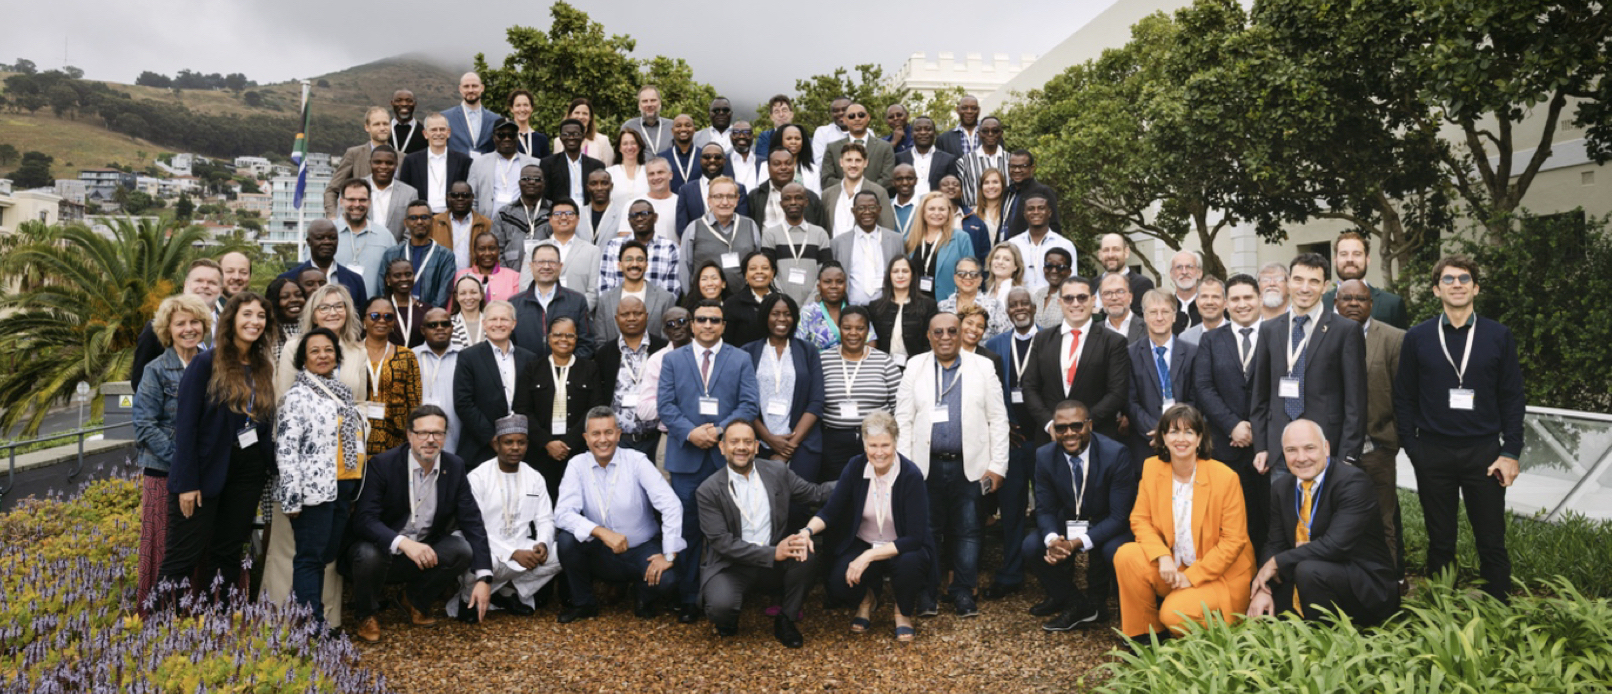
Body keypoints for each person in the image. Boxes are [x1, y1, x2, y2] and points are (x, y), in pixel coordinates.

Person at [1394, 255, 1524, 601]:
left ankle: (1499, 607)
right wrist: (1413, 448)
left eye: (1464, 279)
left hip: (1485, 453)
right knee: (1440, 540)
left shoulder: (1498, 336)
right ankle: (1441, 610)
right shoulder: (1418, 337)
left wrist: (1511, 450)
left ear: (1476, 288)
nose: (1457, 285)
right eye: (1448, 279)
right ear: (1436, 290)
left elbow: (1512, 397)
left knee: (1491, 538)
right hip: (1432, 452)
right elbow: (1403, 397)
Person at [158, 292, 277, 607]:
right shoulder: (205, 363)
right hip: (205, 471)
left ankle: (220, 619)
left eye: (261, 316)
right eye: (247, 314)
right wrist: (186, 482)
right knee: (183, 555)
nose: (254, 321)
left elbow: (263, 422)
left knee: (228, 552)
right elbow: (186, 427)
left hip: (248, 472)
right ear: (231, 320)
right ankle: (159, 622)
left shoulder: (263, 366)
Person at [895, 312, 1010, 617]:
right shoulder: (915, 366)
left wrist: (998, 465)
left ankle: (963, 592)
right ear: (928, 336)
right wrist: (906, 467)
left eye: (951, 331)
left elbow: (998, 419)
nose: (945, 337)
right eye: (938, 332)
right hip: (924, 467)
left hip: (970, 466)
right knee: (927, 531)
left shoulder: (983, 366)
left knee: (969, 530)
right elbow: (903, 419)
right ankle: (928, 593)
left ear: (960, 334)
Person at [348, 405, 494, 642]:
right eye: (423, 433)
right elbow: (364, 520)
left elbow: (472, 522)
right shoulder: (383, 464)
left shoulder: (454, 466)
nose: (430, 440)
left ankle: (414, 600)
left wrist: (484, 576)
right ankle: (366, 614)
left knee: (460, 550)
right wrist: (403, 543)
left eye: (438, 433)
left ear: (445, 437)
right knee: (367, 553)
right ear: (409, 435)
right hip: (381, 550)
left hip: (423, 553)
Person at [657, 299, 762, 622]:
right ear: (692, 324)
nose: (707, 325)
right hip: (686, 458)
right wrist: (691, 433)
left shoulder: (740, 359)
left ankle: (727, 595)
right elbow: (665, 405)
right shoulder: (672, 360)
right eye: (701, 319)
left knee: (729, 530)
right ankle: (689, 598)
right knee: (688, 530)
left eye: (714, 320)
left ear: (723, 325)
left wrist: (718, 431)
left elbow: (749, 404)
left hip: (726, 459)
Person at [1114, 404, 1254, 642]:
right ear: (1163, 438)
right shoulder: (1152, 468)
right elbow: (1140, 519)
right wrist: (1162, 556)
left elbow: (1234, 541)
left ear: (1199, 439)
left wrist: (1191, 577)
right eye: (1173, 432)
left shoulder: (1225, 478)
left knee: (1174, 614)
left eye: (1189, 432)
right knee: (1127, 555)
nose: (1181, 439)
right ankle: (1145, 635)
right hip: (1174, 566)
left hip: (1218, 574)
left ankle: (1214, 628)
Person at [1248, 420, 1400, 625]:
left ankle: (1325, 636)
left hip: (1363, 584)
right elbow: (1275, 542)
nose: (1301, 458)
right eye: (1291, 450)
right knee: (1266, 609)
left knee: (1308, 570)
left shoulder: (1353, 482)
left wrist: (1276, 563)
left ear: (1326, 448)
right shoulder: (1281, 488)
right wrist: (1263, 587)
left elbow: (1335, 545)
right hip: (1309, 573)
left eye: (1309, 448)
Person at [697, 419, 834, 646]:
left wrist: (856, 477)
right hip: (732, 566)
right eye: (734, 442)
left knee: (806, 556)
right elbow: (722, 543)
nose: (741, 447)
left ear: (756, 447)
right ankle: (728, 619)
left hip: (774, 564)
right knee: (720, 608)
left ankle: (787, 618)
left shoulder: (777, 472)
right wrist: (772, 553)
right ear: (722, 447)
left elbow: (816, 493)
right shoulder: (708, 490)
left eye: (747, 442)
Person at [801, 411, 935, 642]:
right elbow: (831, 511)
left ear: (895, 443)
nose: (879, 452)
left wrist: (867, 557)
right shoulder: (855, 467)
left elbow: (915, 537)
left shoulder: (911, 475)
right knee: (838, 581)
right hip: (865, 541)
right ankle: (867, 598)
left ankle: (902, 611)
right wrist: (807, 531)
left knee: (910, 564)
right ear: (864, 445)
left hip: (902, 546)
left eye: (885, 445)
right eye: (873, 445)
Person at [271, 327, 366, 632]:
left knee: (325, 557)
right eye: (315, 351)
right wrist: (292, 500)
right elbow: (286, 450)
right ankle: (311, 628)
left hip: (343, 487)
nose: (323, 356)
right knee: (310, 558)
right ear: (303, 360)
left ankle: (315, 620)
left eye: (328, 350)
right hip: (312, 493)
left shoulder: (342, 394)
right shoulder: (296, 397)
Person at [554, 407, 685, 622]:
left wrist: (669, 555)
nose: (602, 440)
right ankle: (584, 604)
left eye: (608, 432)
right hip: (600, 551)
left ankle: (644, 595)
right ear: (586, 438)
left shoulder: (637, 461)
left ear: (618, 434)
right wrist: (602, 532)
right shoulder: (577, 465)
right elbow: (562, 513)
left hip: (640, 549)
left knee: (668, 580)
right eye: (596, 434)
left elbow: (671, 505)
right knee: (566, 541)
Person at [1025, 399, 1137, 630]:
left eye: (1076, 426)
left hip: (1108, 521)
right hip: (1070, 520)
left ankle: (1108, 606)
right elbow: (1045, 509)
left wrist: (1076, 543)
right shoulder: (1045, 455)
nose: (1069, 433)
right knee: (1032, 545)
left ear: (1090, 425)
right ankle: (1074, 602)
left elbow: (1119, 516)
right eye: (1061, 428)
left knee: (1114, 550)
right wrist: (1053, 540)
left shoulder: (1115, 454)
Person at [1250, 253, 1366, 476]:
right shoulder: (1269, 330)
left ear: (1325, 286)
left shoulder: (1345, 331)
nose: (1304, 288)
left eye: (1313, 281)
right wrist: (1262, 446)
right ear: (1288, 283)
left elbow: (1356, 402)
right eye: (1298, 280)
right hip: (1279, 452)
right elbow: (1260, 395)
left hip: (1327, 451)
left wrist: (1348, 456)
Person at [133, 294, 212, 614]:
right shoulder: (156, 370)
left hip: (206, 473)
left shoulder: (214, 365)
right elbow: (144, 426)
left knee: (201, 546)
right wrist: (184, 464)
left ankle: (200, 614)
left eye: (195, 322)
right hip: (165, 473)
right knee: (168, 546)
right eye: (181, 324)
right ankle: (162, 614)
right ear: (168, 329)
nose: (189, 329)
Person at [449, 414, 562, 622]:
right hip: (488, 547)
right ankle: (467, 600)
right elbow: (473, 528)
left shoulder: (534, 477)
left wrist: (543, 544)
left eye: (521, 442)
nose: (515, 448)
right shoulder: (478, 477)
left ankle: (507, 591)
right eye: (509, 442)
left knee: (561, 553)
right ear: (496, 444)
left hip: (521, 545)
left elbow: (545, 519)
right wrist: (512, 553)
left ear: (527, 445)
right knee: (482, 558)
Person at [1192, 274, 1270, 550]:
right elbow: (1203, 387)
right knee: (1230, 521)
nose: (1242, 304)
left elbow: (1283, 389)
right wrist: (1233, 425)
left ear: (1260, 299)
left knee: (1269, 519)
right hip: (1226, 447)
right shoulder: (1211, 340)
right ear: (1226, 304)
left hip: (1268, 447)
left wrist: (1257, 431)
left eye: (1248, 297)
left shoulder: (1277, 334)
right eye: (1235, 299)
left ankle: (1268, 572)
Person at [1333, 279, 1405, 567]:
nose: (1354, 303)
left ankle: (1387, 582)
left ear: (1371, 304)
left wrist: (1392, 439)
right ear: (1336, 303)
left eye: (1361, 298)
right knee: (1337, 522)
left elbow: (1402, 395)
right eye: (1347, 298)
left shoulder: (1393, 339)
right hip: (1333, 450)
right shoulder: (1322, 335)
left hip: (1376, 449)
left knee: (1383, 522)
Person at [980, 288, 1042, 599]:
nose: (1019, 308)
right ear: (1007, 311)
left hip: (1044, 440)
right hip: (1010, 442)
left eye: (1024, 303)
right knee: (1012, 509)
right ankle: (1011, 573)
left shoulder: (1050, 340)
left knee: (1047, 508)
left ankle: (1048, 572)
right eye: (1013, 305)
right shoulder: (994, 345)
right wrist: (1002, 426)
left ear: (1034, 307)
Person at [1022, 276, 1131, 443]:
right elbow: (1029, 387)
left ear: (1093, 300)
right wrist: (1050, 424)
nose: (1075, 303)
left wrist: (1082, 424)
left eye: (1082, 297)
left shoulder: (1113, 342)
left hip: (1097, 437)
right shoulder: (1042, 339)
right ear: (1059, 302)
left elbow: (1117, 393)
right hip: (1050, 438)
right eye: (1068, 298)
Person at [514, 315, 608, 501]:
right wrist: (547, 442)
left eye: (569, 335)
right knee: (541, 500)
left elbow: (595, 409)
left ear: (576, 339)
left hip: (577, 450)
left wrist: (568, 443)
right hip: (540, 450)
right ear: (549, 338)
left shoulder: (590, 368)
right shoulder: (533, 368)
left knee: (576, 500)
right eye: (557, 335)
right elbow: (522, 409)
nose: (563, 339)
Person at [741, 294, 825, 481]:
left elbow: (816, 401)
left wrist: (788, 447)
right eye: (775, 314)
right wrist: (769, 438)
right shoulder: (747, 352)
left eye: (787, 314)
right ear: (765, 316)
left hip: (802, 444)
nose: (782, 319)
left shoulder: (808, 351)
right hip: (758, 443)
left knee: (800, 498)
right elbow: (743, 401)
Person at [818, 306, 902, 480]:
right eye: (847, 328)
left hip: (877, 441)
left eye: (860, 328)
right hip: (834, 442)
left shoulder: (884, 361)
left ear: (868, 331)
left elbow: (900, 406)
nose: (853, 333)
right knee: (837, 489)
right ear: (839, 329)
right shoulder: (823, 360)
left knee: (875, 488)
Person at [454, 300, 537, 467]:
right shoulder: (468, 357)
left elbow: (534, 401)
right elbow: (463, 403)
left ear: (513, 324)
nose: (498, 324)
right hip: (481, 446)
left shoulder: (529, 358)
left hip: (522, 447)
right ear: (484, 323)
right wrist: (492, 438)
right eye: (493, 319)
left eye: (504, 319)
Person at [1128, 290, 1199, 462]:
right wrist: (1158, 430)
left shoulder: (1192, 353)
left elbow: (1196, 396)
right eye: (1153, 312)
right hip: (1146, 442)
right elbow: (1130, 401)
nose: (1159, 318)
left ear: (1174, 316)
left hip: (1185, 442)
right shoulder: (1130, 354)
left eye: (1165, 312)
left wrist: (1175, 430)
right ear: (1144, 316)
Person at [595, 296, 667, 458]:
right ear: (616, 319)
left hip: (655, 439)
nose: (631, 318)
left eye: (637, 313)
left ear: (646, 316)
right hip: (619, 440)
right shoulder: (604, 353)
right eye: (625, 314)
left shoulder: (663, 349)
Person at [359, 295, 423, 458]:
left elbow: (414, 403)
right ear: (364, 320)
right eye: (375, 316)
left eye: (388, 316)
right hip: (357, 436)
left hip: (396, 440)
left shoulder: (406, 356)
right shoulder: (349, 353)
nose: (382, 320)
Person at [511, 241, 595, 359]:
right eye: (540, 262)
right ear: (531, 266)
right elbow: (509, 345)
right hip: (527, 369)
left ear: (560, 266)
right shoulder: (514, 304)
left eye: (552, 262)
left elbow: (586, 343)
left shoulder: (577, 301)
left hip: (567, 369)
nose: (546, 266)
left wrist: (567, 366)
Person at [679, 177, 762, 292]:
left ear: (737, 200)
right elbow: (685, 269)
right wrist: (691, 297)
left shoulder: (750, 226)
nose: (725, 202)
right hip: (707, 299)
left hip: (744, 298)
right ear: (709, 200)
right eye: (718, 197)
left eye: (730, 197)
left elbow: (758, 262)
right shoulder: (694, 228)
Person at [273, 221, 366, 324]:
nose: (327, 242)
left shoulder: (355, 280)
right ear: (309, 241)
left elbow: (361, 320)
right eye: (320, 238)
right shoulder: (288, 278)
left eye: (332, 238)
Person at [518, 199, 602, 310]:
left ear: (578, 219)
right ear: (550, 220)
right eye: (557, 214)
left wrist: (574, 313)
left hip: (577, 315)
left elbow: (593, 292)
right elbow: (525, 286)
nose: (563, 218)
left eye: (569, 214)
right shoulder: (534, 249)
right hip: (541, 314)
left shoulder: (592, 251)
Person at [760, 182, 833, 304]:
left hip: (813, 305)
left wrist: (810, 304)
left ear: (806, 202)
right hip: (781, 305)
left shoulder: (820, 234)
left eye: (798, 198)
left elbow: (825, 274)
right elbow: (769, 274)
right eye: (787, 199)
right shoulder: (770, 235)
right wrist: (784, 302)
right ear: (781, 204)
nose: (793, 202)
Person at [1321, 231, 1410, 329]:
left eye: (1357, 254)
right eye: (1343, 254)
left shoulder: (1392, 304)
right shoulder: (1320, 303)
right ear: (1335, 260)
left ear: (1367, 259)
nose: (1350, 259)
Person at [831, 191, 905, 306]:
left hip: (887, 307)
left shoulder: (895, 240)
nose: (867, 212)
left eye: (872, 207)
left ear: (879, 210)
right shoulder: (839, 243)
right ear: (853, 211)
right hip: (852, 308)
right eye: (861, 208)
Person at [378, 200, 456, 309]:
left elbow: (443, 294)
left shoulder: (445, 256)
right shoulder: (391, 254)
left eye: (424, 217)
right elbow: (382, 290)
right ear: (405, 222)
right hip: (396, 315)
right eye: (413, 218)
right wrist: (392, 313)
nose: (419, 222)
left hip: (429, 315)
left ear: (432, 221)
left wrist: (427, 314)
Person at [595, 241, 676, 343]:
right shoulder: (605, 300)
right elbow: (600, 341)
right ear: (620, 265)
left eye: (640, 259)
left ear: (646, 265)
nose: (634, 264)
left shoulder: (665, 298)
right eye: (629, 259)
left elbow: (668, 340)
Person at [600, 199, 682, 297]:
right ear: (629, 220)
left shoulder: (670, 248)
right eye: (633, 215)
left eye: (644, 214)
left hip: (657, 306)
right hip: (618, 306)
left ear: (655, 217)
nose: (639, 218)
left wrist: (647, 307)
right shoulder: (613, 246)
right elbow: (605, 288)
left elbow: (671, 292)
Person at [632, 307, 693, 437]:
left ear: (692, 324)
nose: (676, 326)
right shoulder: (657, 360)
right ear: (665, 331)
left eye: (682, 321)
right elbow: (644, 410)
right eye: (670, 324)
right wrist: (682, 402)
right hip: (671, 434)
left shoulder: (708, 353)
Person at [868, 255, 938, 366]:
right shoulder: (875, 307)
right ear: (889, 276)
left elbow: (931, 342)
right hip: (883, 367)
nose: (900, 276)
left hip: (917, 367)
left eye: (905, 271)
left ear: (912, 275)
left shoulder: (928, 305)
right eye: (895, 271)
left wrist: (920, 365)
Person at [398, 113, 473, 214]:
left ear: (448, 132)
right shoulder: (411, 161)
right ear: (425, 134)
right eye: (433, 130)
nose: (438, 133)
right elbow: (404, 192)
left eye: (442, 129)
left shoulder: (463, 161)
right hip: (422, 217)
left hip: (452, 216)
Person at [324, 106, 392, 218]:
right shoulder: (354, 154)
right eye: (377, 124)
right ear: (367, 127)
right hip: (360, 221)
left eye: (385, 124)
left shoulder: (402, 158)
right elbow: (332, 190)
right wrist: (333, 217)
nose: (382, 128)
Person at [907, 193, 976, 301]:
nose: (937, 213)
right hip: (915, 304)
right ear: (923, 212)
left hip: (947, 304)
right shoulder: (911, 239)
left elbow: (971, 275)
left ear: (949, 212)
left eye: (942, 209)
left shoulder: (961, 238)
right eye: (931, 209)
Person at [675, 142, 753, 239]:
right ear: (700, 160)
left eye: (717, 157)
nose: (712, 160)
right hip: (697, 245)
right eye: (707, 157)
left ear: (724, 161)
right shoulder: (686, 190)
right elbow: (682, 228)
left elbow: (742, 223)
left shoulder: (738, 188)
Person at [413, 307, 464, 455]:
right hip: (420, 437)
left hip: (457, 437)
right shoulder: (411, 357)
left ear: (452, 328)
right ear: (423, 330)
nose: (440, 328)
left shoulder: (465, 356)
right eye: (433, 325)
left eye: (445, 324)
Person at [468, 119, 540, 220]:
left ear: (518, 137)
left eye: (511, 135)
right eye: (501, 135)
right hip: (488, 224)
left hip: (522, 224)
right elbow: (472, 199)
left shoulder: (534, 164)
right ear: (494, 137)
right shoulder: (479, 163)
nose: (507, 139)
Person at [822, 143, 896, 237]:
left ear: (865, 163)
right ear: (841, 162)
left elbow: (888, 230)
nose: (853, 165)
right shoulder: (827, 194)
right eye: (849, 160)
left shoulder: (879, 192)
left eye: (858, 160)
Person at [1007, 194, 1076, 295]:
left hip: (1053, 301)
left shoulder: (1064, 245)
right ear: (1024, 214)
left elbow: (1072, 281)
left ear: (1049, 212)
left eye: (1041, 208)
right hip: (1020, 301)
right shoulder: (1013, 244)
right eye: (1031, 209)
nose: (1036, 212)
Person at [333, 179, 391, 298]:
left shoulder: (385, 236)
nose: (357, 204)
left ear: (369, 202)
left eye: (362, 200)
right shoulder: (326, 233)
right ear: (341, 201)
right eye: (351, 199)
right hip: (333, 307)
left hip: (372, 307)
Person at [820, 103, 897, 190]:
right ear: (844, 120)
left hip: (876, 197)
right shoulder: (832, 148)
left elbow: (888, 179)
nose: (857, 119)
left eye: (861, 115)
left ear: (868, 117)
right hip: (842, 197)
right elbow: (827, 180)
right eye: (851, 116)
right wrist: (850, 189)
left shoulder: (885, 147)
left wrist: (865, 192)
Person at [490, 164, 551, 272]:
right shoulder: (504, 214)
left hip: (546, 273)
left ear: (544, 184)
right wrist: (507, 275)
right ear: (519, 183)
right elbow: (496, 249)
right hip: (511, 275)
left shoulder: (554, 212)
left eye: (537, 179)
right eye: (526, 179)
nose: (531, 182)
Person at [751, 149, 829, 231]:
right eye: (777, 164)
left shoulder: (811, 197)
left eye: (788, 163)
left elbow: (821, 230)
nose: (783, 167)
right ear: (768, 168)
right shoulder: (755, 196)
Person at [937, 257, 1011, 340]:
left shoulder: (994, 306)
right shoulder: (942, 307)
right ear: (955, 278)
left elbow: (1006, 337)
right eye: (962, 273)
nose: (968, 277)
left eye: (973, 274)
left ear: (980, 280)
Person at [542, 119, 607, 208]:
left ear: (583, 137)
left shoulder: (596, 165)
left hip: (588, 213)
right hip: (561, 213)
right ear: (560, 138)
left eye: (576, 134)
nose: (571, 137)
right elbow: (546, 195)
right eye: (566, 134)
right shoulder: (549, 164)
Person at [432, 181, 494, 272]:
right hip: (443, 277)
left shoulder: (486, 224)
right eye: (455, 195)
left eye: (465, 195)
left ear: (472, 197)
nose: (460, 198)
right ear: (448, 197)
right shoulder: (434, 223)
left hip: (475, 277)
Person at [721, 250, 778, 348]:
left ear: (772, 273)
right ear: (746, 275)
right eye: (753, 268)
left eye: (765, 268)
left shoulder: (782, 302)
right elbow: (726, 342)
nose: (759, 271)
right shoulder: (732, 304)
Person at [1002, 150, 1062, 241]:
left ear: (1032, 168)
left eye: (1022, 166)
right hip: (1004, 246)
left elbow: (1054, 226)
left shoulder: (1043, 192)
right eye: (1013, 166)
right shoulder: (1007, 192)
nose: (1017, 170)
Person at [897, 116, 960, 199]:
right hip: (907, 205)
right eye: (918, 129)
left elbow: (952, 190)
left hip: (937, 205)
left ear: (934, 133)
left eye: (928, 129)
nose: (923, 132)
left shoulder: (948, 159)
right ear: (911, 134)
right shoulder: (899, 158)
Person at [364, 145, 418, 241]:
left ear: (396, 165)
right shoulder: (352, 189)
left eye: (389, 163)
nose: (383, 166)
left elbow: (411, 231)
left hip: (396, 249)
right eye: (378, 162)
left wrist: (397, 250)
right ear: (370, 163)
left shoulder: (410, 193)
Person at [795, 262, 852, 352]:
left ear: (845, 285)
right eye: (827, 282)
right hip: (816, 360)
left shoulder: (855, 311)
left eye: (839, 282)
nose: (834, 286)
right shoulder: (808, 312)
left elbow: (870, 342)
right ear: (818, 287)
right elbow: (798, 347)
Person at [443, 72, 503, 155]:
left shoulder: (496, 120)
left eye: (474, 86)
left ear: (482, 88)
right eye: (466, 86)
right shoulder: (445, 117)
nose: (470, 90)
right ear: (460, 89)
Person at [956, 117, 1008, 210]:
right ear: (979, 134)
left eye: (995, 131)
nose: (990, 134)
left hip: (1007, 214)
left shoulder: (1011, 161)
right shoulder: (964, 162)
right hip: (975, 215)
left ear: (1001, 133)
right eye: (985, 131)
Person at [457, 231, 522, 303]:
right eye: (482, 249)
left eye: (492, 248)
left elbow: (518, 305)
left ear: (498, 250)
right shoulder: (461, 275)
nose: (487, 253)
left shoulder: (513, 277)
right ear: (474, 251)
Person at [1097, 232, 1154, 316]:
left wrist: (1098, 312)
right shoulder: (1091, 285)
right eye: (1106, 250)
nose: (1110, 255)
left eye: (1116, 249)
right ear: (1100, 255)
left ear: (1126, 252)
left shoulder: (1142, 284)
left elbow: (1140, 318)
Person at [380, 258, 430, 348]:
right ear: (388, 279)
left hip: (418, 356)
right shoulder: (379, 308)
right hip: (386, 356)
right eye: (397, 275)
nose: (404, 279)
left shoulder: (426, 310)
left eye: (408, 274)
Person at [960, 168, 1007, 258]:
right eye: (986, 183)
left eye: (995, 182)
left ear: (1002, 185)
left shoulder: (1009, 211)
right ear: (981, 187)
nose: (991, 186)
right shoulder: (972, 214)